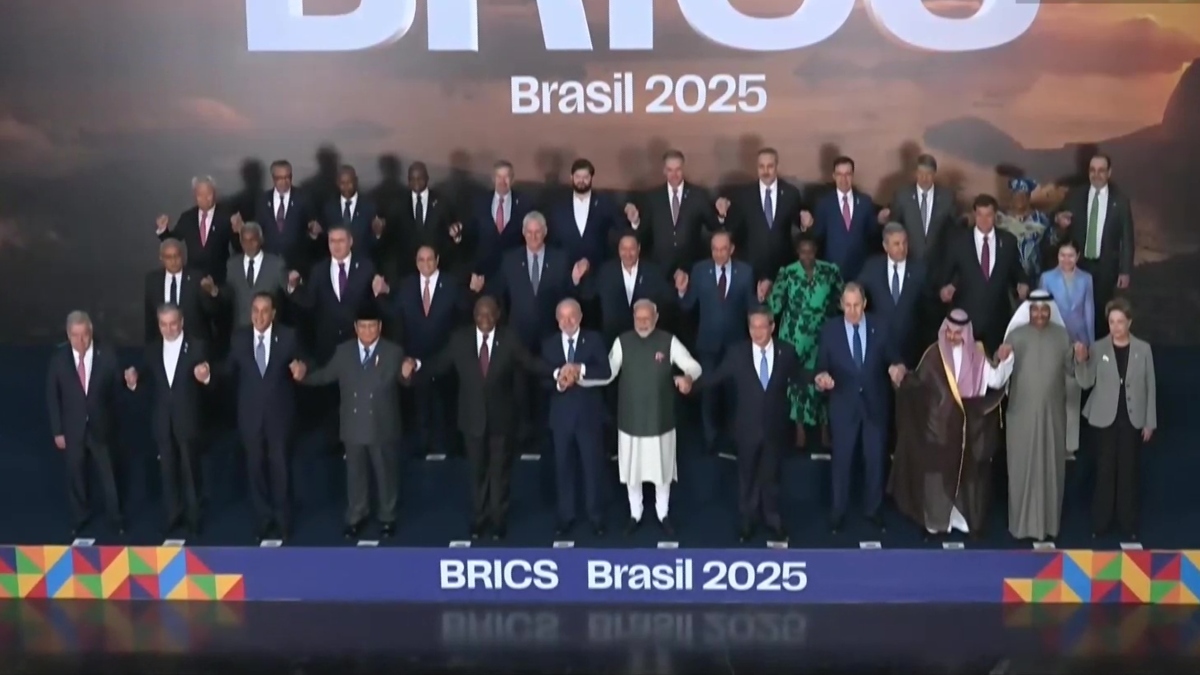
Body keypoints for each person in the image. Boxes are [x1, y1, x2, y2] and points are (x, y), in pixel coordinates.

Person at [402, 296, 548, 540]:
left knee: (499, 472)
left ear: (498, 315)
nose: (485, 319)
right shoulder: (460, 340)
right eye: (480, 314)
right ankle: (479, 519)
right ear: (474, 316)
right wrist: (414, 368)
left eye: (490, 314)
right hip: (472, 420)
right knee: (477, 471)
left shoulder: (509, 339)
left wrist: (557, 372)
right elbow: (439, 365)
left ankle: (498, 519)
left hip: (502, 419)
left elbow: (531, 363)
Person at [692, 308, 822, 542]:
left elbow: (800, 375)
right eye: (753, 327)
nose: (757, 332)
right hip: (746, 429)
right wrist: (691, 384)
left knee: (771, 477)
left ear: (772, 327)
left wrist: (818, 378)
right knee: (747, 477)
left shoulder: (786, 351)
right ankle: (747, 521)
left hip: (775, 428)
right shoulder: (737, 352)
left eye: (762, 327)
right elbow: (715, 376)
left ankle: (773, 519)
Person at [579, 299, 702, 536]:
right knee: (632, 472)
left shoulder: (668, 341)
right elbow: (607, 374)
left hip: (660, 420)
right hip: (630, 420)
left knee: (662, 472)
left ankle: (662, 513)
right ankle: (635, 514)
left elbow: (694, 366)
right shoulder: (622, 341)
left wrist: (688, 378)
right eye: (639, 318)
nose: (643, 322)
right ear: (633, 317)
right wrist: (581, 379)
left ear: (656, 318)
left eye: (647, 318)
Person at [890, 310, 1012, 539]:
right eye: (949, 332)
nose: (953, 337)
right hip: (939, 431)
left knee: (969, 480)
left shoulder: (978, 354)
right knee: (936, 480)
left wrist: (1007, 361)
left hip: (969, 431)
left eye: (958, 333)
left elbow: (995, 379)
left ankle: (963, 521)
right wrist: (902, 379)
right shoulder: (933, 354)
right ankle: (937, 523)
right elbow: (918, 384)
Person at [301, 304, 406, 539]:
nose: (368, 331)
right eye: (363, 327)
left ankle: (387, 516)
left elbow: (405, 379)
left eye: (372, 326)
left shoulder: (393, 352)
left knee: (385, 473)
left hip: (382, 425)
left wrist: (409, 373)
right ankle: (357, 514)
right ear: (356, 328)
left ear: (379, 327)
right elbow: (325, 375)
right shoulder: (344, 352)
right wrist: (303, 375)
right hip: (353, 424)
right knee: (355, 474)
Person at [815, 283, 906, 534]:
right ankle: (838, 512)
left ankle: (873, 510)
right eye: (848, 305)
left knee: (875, 460)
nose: (852, 310)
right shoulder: (830, 330)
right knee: (842, 462)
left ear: (864, 303)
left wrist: (897, 368)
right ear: (841, 304)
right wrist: (822, 377)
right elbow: (821, 365)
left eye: (857, 305)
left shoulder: (881, 326)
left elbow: (895, 358)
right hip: (843, 405)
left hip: (875, 404)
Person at [1002, 289, 1087, 541]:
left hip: (1053, 416)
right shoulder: (1016, 336)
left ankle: (1048, 526)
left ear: (1051, 312)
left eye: (1044, 310)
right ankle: (1021, 526)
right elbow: (1001, 372)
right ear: (1028, 312)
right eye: (1035, 310)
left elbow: (1072, 371)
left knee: (1050, 468)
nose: (1039, 314)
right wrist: (1000, 356)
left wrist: (1080, 358)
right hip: (1021, 414)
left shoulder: (1062, 336)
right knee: (1021, 468)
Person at [221, 292, 306, 541]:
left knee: (280, 468)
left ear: (273, 314)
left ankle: (283, 519)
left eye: (265, 311)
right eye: (255, 311)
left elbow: (304, 362)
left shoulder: (288, 337)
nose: (259, 316)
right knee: (255, 468)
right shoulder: (239, 339)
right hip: (250, 416)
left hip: (279, 415)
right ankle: (264, 519)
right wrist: (207, 374)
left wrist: (302, 369)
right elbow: (228, 369)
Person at [124, 304, 213, 536]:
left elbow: (209, 375)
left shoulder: (196, 346)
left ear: (181, 322)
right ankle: (173, 515)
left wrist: (205, 376)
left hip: (187, 418)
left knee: (191, 470)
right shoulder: (152, 350)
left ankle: (195, 517)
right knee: (167, 470)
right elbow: (145, 378)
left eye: (173, 323)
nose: (169, 328)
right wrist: (133, 379)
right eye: (163, 324)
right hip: (163, 421)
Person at [373, 245, 467, 456]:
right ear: (416, 262)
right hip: (415, 356)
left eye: (429, 259)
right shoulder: (406, 285)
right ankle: (423, 444)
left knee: (444, 404)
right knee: (421, 403)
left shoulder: (451, 285)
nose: (426, 264)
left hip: (445, 356)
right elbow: (394, 313)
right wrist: (379, 296)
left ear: (437, 259)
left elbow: (462, 316)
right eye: (421, 260)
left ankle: (445, 446)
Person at [1076, 298, 1156, 540]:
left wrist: (1149, 421)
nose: (1116, 326)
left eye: (1120, 322)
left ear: (1129, 322)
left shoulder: (1143, 349)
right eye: (1112, 322)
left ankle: (1128, 525)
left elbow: (1149, 385)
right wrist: (1081, 360)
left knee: (1128, 473)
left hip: (1132, 419)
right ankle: (1100, 524)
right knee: (1104, 472)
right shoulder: (1098, 347)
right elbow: (1086, 381)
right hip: (1104, 419)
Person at [676, 231, 757, 453]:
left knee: (734, 392)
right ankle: (710, 439)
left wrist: (760, 300)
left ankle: (733, 438)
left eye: (723, 249)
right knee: (708, 392)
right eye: (715, 249)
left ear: (731, 249)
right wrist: (682, 291)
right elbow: (688, 305)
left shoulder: (746, 272)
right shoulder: (700, 270)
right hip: (708, 343)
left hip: (736, 344)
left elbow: (751, 307)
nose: (719, 254)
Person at [46, 311, 125, 536]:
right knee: (76, 474)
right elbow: (53, 396)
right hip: (73, 429)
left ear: (91, 332)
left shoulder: (107, 355)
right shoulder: (59, 360)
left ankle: (116, 519)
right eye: (75, 336)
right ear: (68, 335)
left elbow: (117, 392)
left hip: (101, 427)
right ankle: (80, 517)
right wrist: (57, 431)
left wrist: (114, 423)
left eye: (85, 335)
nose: (80, 341)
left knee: (109, 475)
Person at [766, 232, 843, 448]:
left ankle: (824, 429)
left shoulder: (830, 271)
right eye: (803, 252)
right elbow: (775, 306)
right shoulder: (788, 273)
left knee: (823, 378)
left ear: (816, 251)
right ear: (797, 252)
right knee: (797, 382)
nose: (807, 256)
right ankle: (799, 429)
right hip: (794, 335)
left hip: (822, 334)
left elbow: (842, 300)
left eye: (810, 251)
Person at [543, 299, 611, 536]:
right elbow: (542, 378)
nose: (567, 321)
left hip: (589, 416)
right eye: (562, 317)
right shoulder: (549, 344)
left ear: (580, 317)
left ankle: (596, 516)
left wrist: (579, 369)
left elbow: (606, 371)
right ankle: (566, 516)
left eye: (571, 316)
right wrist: (560, 380)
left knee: (592, 468)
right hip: (561, 419)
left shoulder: (593, 340)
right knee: (563, 468)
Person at [1055, 152, 1135, 339]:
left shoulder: (1120, 201)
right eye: (1092, 170)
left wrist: (1125, 271)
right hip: (1077, 266)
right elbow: (1057, 217)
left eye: (1101, 170)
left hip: (1105, 267)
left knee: (1100, 314)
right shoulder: (1075, 195)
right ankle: (1076, 356)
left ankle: (1099, 356)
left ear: (1109, 172)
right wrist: (1059, 220)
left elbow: (1127, 237)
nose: (1096, 174)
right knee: (1076, 312)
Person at [940, 194, 1030, 352]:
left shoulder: (1008, 241)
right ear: (974, 214)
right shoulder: (958, 241)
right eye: (980, 214)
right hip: (966, 321)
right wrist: (944, 289)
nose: (984, 219)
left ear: (995, 215)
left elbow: (1016, 271)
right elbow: (944, 274)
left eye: (988, 215)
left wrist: (1022, 284)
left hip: (997, 320)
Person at [713, 147, 806, 285]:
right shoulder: (743, 195)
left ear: (777, 167)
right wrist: (722, 214)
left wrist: (805, 223)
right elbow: (730, 226)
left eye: (770, 166)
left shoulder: (791, 193)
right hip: (751, 269)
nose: (765, 171)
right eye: (761, 166)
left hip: (783, 268)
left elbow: (800, 223)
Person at [1039, 239, 1095, 456]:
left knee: (1073, 396)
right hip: (1053, 341)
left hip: (1078, 342)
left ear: (1078, 256)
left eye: (1070, 255)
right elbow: (1039, 312)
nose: (1066, 259)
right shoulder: (1047, 278)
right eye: (1062, 255)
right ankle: (1050, 443)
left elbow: (1089, 311)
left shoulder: (1086, 279)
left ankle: (1070, 446)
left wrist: (1088, 343)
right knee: (1052, 395)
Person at [857, 222, 929, 367]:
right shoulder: (872, 267)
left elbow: (928, 311)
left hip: (910, 350)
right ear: (885, 246)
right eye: (896, 244)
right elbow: (859, 295)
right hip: (878, 350)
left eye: (904, 243)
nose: (902, 248)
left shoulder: (920, 271)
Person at [810, 155, 880, 282]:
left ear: (852, 175)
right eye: (839, 174)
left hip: (860, 273)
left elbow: (873, 236)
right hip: (832, 272)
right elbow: (817, 237)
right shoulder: (824, 203)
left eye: (847, 174)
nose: (843, 179)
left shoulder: (865, 202)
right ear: (833, 176)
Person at [211, 221, 292, 330]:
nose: (248, 245)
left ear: (261, 240)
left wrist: (293, 284)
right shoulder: (232, 265)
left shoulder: (276, 264)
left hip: (269, 331)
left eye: (252, 240)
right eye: (245, 241)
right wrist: (215, 291)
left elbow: (289, 292)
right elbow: (229, 293)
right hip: (241, 331)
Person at [144, 238, 215, 345]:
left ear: (182, 256)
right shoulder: (152, 281)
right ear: (161, 258)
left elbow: (211, 311)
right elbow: (150, 318)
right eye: (168, 257)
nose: (173, 261)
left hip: (194, 344)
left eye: (176, 256)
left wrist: (212, 293)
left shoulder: (197, 278)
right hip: (163, 343)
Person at [997, 178, 1051, 282]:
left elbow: (1052, 241)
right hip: (1006, 277)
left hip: (1034, 275)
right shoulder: (1000, 219)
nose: (1020, 198)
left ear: (1029, 196)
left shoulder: (1041, 219)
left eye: (1023, 195)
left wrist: (1060, 228)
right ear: (1011, 197)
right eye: (1016, 195)